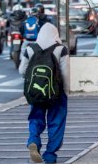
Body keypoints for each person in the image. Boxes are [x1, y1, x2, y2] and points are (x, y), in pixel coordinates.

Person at [19, 23, 70, 163]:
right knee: (56, 122)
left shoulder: (30, 48)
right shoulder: (61, 49)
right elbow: (65, 74)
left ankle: (33, 140)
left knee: (36, 117)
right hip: (56, 93)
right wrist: (66, 92)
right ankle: (50, 155)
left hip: (36, 91)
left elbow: (22, 71)